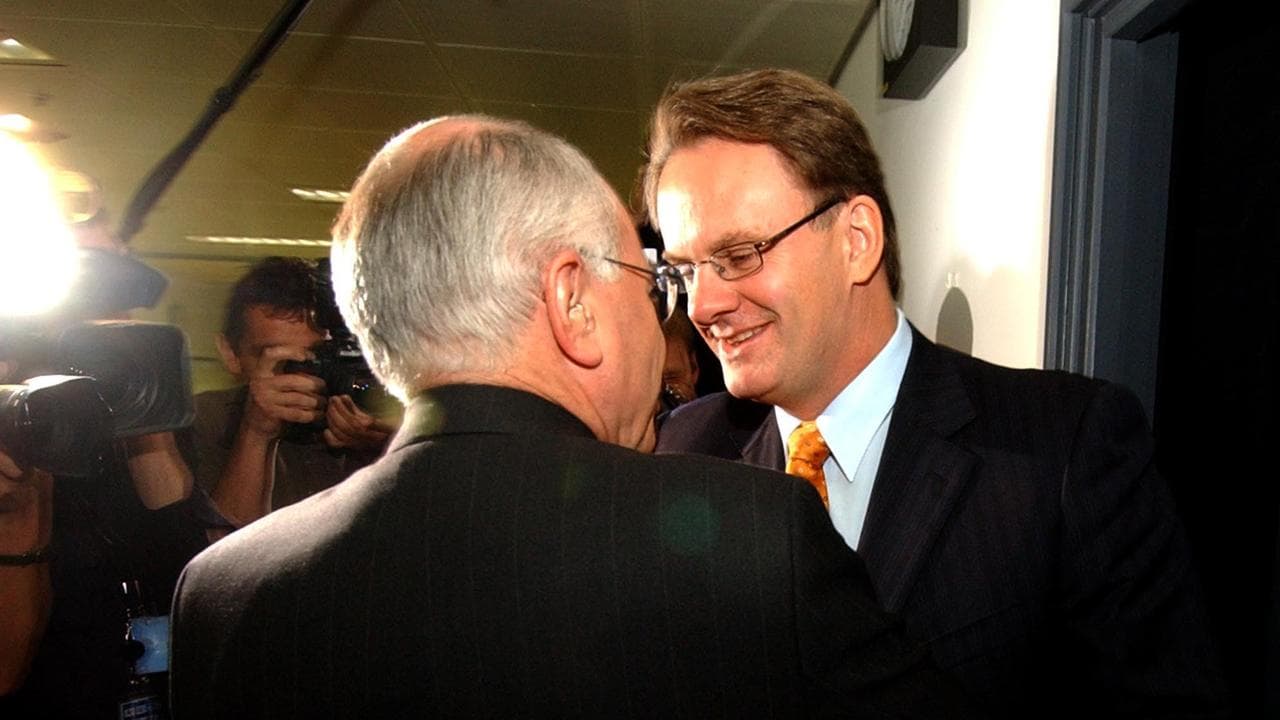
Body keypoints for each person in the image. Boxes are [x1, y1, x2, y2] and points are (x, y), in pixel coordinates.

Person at [169, 115, 983, 718]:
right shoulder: (755, 536)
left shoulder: (224, 594)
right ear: (573, 302)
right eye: (653, 283)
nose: (688, 315)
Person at [644, 68, 1229, 718]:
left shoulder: (1065, 447)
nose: (702, 306)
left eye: (739, 255)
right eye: (685, 271)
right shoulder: (685, 450)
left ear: (857, 241)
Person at [186, 256, 394, 529]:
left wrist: (383, 448)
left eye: (316, 356)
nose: (300, 375)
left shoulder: (367, 408)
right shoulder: (204, 419)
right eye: (278, 359)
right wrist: (255, 433)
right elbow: (223, 542)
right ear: (230, 354)